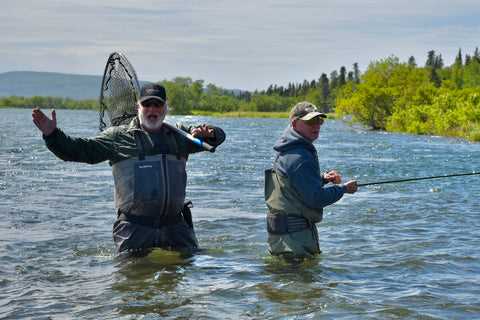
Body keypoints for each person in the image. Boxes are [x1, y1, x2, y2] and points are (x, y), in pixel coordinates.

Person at [32, 83, 226, 256]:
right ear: (138, 107)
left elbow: (218, 138)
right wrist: (52, 135)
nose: (152, 109)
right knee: (132, 285)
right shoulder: (118, 137)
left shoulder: (180, 135)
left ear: (165, 108)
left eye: (157, 105)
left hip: (176, 227)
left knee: (183, 281)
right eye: (147, 104)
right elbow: (80, 151)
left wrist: (211, 132)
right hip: (134, 228)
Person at [265, 101, 357, 259]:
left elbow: (293, 186)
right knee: (303, 282)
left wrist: (322, 179)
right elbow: (316, 198)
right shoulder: (300, 157)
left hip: (280, 239)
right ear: (294, 123)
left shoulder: (287, 150)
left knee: (284, 280)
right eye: (310, 121)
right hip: (296, 240)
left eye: (319, 121)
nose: (317, 126)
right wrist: (343, 189)